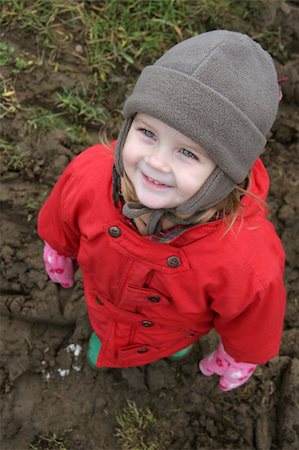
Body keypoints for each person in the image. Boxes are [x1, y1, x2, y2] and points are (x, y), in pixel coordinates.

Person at [38, 30, 286, 391]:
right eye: (148, 133)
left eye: (188, 153)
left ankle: (175, 350)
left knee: (174, 347)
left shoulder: (245, 254)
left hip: (175, 330)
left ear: (226, 173)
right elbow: (62, 209)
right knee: (103, 342)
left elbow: (255, 314)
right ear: (128, 125)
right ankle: (106, 343)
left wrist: (242, 354)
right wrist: (58, 246)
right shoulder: (91, 173)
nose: (155, 162)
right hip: (105, 310)